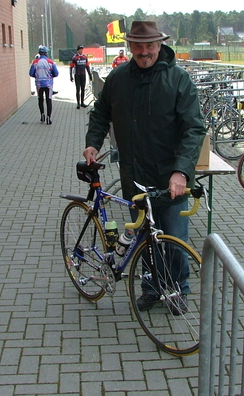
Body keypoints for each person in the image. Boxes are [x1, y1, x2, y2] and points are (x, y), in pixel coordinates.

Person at [82, 21, 206, 314]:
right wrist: (93, 143)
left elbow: (194, 129)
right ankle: (151, 289)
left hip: (170, 179)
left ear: (159, 45)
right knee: (143, 241)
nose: (143, 52)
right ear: (130, 47)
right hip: (134, 177)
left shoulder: (178, 80)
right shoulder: (118, 78)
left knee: (174, 241)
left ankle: (178, 291)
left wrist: (182, 171)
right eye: (137, 46)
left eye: (149, 45)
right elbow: (101, 112)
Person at [29, 45, 59, 125]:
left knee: (40, 99)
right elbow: (56, 73)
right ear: (46, 53)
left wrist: (37, 75)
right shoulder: (50, 62)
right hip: (48, 84)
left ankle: (42, 115)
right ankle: (48, 118)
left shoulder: (35, 62)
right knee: (48, 100)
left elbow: (31, 73)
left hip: (39, 84)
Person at [70, 45, 93, 109]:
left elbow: (87, 67)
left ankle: (82, 102)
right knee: (78, 89)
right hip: (77, 75)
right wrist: (71, 76)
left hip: (83, 75)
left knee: (83, 89)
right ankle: (78, 103)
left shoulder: (85, 57)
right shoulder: (75, 57)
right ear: (77, 50)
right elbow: (71, 67)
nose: (81, 50)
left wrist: (90, 75)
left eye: (82, 49)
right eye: (80, 49)